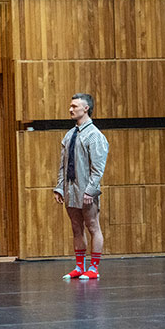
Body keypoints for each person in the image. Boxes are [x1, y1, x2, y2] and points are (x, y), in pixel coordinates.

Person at [54, 93, 109, 280]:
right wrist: (60, 187)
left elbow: (98, 167)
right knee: (76, 227)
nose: (71, 109)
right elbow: (63, 164)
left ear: (86, 108)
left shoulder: (94, 135)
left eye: (75, 106)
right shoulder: (69, 135)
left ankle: (93, 268)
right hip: (71, 188)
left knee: (93, 226)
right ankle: (79, 266)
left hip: (86, 189)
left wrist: (91, 190)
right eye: (70, 106)